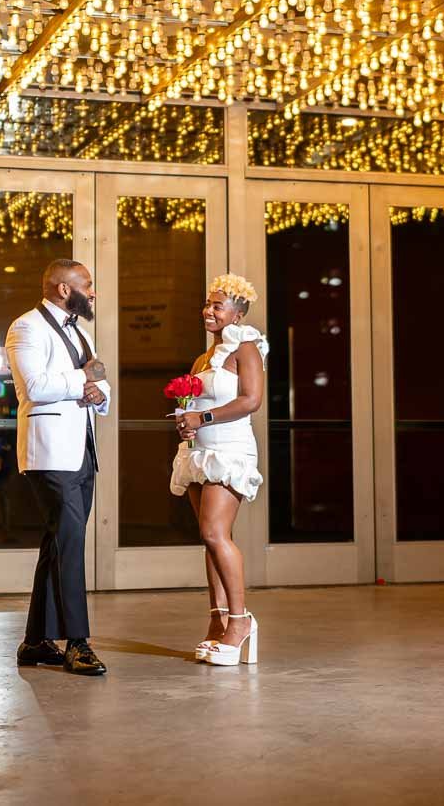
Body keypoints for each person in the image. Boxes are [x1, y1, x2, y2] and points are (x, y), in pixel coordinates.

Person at [6, 259, 112, 676]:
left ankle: (35, 641)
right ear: (64, 289)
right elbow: (32, 386)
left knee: (57, 541)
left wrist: (94, 392)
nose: (94, 292)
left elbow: (102, 383)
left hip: (82, 451)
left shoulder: (80, 332)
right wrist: (81, 380)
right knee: (69, 543)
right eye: (88, 284)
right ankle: (78, 643)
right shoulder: (27, 327)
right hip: (49, 453)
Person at [172, 273, 267, 667]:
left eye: (218, 305)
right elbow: (195, 406)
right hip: (200, 453)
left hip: (230, 450)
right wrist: (186, 419)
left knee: (215, 532)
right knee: (208, 538)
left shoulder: (246, 347)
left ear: (238, 313)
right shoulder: (203, 358)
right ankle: (217, 619)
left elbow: (251, 400)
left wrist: (203, 415)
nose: (208, 310)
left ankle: (240, 621)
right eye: (208, 303)